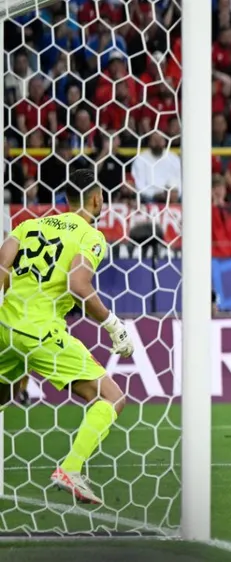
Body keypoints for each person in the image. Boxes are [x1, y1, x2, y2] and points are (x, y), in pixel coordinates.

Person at [0, 170, 134, 505]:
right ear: (96, 198)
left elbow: (2, 269)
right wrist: (113, 324)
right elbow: (78, 285)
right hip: (42, 332)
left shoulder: (28, 226)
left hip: (5, 327)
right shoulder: (90, 235)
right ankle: (70, 468)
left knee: (2, 396)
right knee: (112, 397)